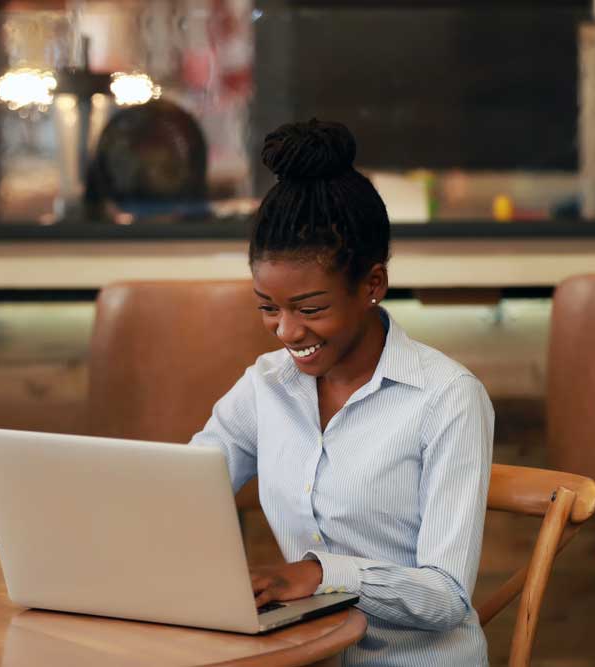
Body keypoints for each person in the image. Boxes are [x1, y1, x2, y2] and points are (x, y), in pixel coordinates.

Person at [189, 119, 494, 666]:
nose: (286, 332)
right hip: (309, 656)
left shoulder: (447, 398)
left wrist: (319, 574)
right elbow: (180, 491)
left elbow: (447, 595)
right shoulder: (266, 386)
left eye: (310, 309)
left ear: (372, 284)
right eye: (268, 307)